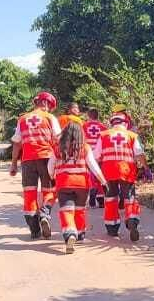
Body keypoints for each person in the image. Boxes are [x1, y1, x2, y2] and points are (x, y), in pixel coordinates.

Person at [9, 91, 61, 238]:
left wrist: (13, 164)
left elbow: (17, 143)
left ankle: (34, 230)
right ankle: (44, 215)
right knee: (50, 190)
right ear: (46, 103)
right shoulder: (50, 118)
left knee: (29, 194)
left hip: (27, 161)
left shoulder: (23, 119)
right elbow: (59, 140)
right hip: (47, 159)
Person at [49, 121, 106, 253]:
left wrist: (52, 176)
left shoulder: (58, 148)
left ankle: (70, 233)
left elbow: (50, 166)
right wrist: (103, 181)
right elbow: (93, 166)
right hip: (82, 185)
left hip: (64, 184)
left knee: (67, 210)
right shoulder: (85, 148)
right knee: (80, 210)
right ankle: (80, 233)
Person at [96, 110, 148, 241]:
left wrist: (95, 171)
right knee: (129, 198)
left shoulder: (103, 135)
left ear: (112, 123)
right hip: (127, 171)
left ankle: (112, 228)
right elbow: (139, 154)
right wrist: (146, 168)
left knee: (111, 199)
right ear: (125, 123)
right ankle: (132, 220)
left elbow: (96, 156)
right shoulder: (132, 135)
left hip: (108, 172)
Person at [83, 108, 106, 212]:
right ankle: (101, 201)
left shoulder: (84, 126)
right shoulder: (103, 127)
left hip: (87, 153)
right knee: (99, 175)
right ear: (98, 116)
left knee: (90, 176)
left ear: (88, 116)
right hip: (99, 155)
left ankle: (92, 195)